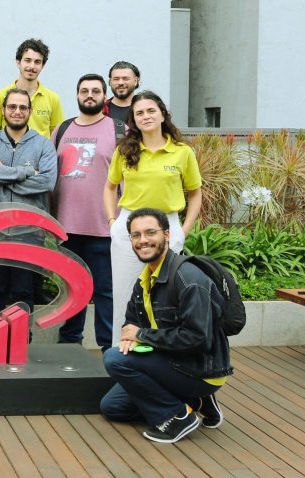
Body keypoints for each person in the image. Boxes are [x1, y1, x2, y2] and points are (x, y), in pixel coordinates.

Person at [100, 208, 230, 444]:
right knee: (113, 407)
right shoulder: (146, 278)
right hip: (171, 360)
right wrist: (131, 335)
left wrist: (141, 334)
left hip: (202, 369)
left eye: (151, 233)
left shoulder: (188, 279)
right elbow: (131, 320)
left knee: (114, 359)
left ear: (167, 235)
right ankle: (194, 401)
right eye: (136, 235)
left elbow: (198, 338)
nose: (143, 240)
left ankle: (178, 417)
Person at [103, 91, 202, 346]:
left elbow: (195, 193)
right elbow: (110, 187)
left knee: (163, 295)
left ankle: (161, 355)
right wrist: (113, 223)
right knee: (125, 295)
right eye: (139, 113)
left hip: (166, 229)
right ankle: (120, 353)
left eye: (151, 111)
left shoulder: (182, 152)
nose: (146, 116)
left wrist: (183, 230)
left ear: (162, 115)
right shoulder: (124, 150)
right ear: (133, 121)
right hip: (129, 227)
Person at [51, 74, 120, 350]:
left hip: (103, 226)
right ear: (77, 95)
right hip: (66, 227)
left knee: (105, 291)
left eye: (95, 91)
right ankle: (69, 345)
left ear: (105, 96)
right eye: (84, 91)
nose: (89, 95)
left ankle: (108, 347)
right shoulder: (62, 129)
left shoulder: (119, 129)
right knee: (71, 290)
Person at [0, 88, 58, 320]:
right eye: (12, 107)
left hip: (29, 231)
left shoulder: (43, 145)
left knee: (23, 291)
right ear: (3, 110)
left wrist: (2, 177)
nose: (17, 111)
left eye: (23, 107)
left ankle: (21, 345)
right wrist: (26, 172)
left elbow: (46, 182)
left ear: (30, 111)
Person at [0, 39, 64, 138]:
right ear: (18, 62)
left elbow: (57, 135)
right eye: (27, 60)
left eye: (37, 62)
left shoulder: (53, 99)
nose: (32, 66)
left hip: (42, 153)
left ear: (43, 66)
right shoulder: (0, 96)